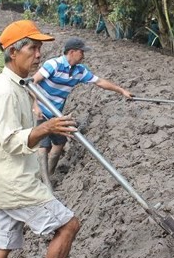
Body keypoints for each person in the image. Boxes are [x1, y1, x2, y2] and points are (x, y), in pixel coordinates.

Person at [0, 20, 81, 258]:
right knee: (68, 225)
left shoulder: (18, 85)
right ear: (14, 52)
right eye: (33, 48)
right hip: (15, 182)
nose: (39, 55)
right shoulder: (4, 93)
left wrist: (44, 120)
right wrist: (45, 127)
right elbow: (11, 141)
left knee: (0, 244)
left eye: (40, 49)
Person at [31, 37, 133, 187]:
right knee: (43, 146)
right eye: (81, 52)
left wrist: (121, 90)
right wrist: (35, 105)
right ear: (72, 52)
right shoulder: (53, 64)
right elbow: (32, 82)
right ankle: (43, 182)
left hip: (56, 113)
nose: (84, 55)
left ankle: (48, 176)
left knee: (59, 144)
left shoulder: (80, 71)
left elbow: (100, 82)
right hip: (42, 110)